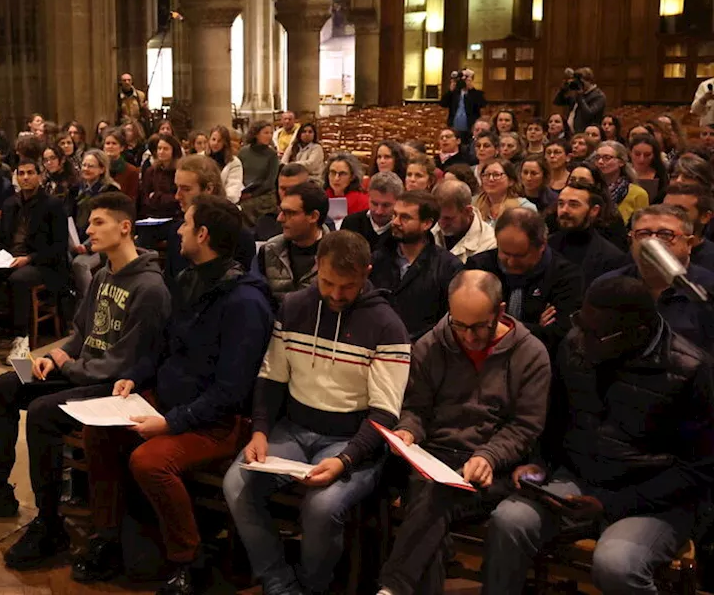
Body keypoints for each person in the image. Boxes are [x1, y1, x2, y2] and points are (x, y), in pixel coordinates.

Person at [73, 195, 274, 592]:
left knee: (150, 461)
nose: (178, 230)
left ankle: (189, 561)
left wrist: (171, 422)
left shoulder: (246, 301)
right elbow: (164, 348)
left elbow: (231, 392)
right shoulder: (187, 279)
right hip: (171, 401)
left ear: (203, 234)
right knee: (98, 432)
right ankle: (109, 537)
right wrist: (134, 377)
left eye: (185, 224)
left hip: (217, 421)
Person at [0, 191, 170, 570]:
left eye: (99, 222)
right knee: (4, 384)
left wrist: (68, 366)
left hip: (110, 384)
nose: (88, 230)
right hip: (78, 368)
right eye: (89, 222)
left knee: (43, 412)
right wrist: (51, 357)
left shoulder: (150, 288)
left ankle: (50, 524)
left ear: (125, 228)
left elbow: (121, 363)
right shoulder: (101, 274)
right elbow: (81, 332)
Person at [484, 276, 714, 595]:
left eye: (598, 334)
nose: (583, 337)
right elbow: (555, 421)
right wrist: (538, 464)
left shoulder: (691, 370)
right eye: (580, 322)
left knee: (615, 565)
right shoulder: (577, 345)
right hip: (579, 480)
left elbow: (698, 470)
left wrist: (610, 503)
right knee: (509, 520)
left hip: (653, 499)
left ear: (639, 333)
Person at [224, 230, 411, 595]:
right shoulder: (295, 306)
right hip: (293, 430)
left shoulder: (388, 326)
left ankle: (313, 587)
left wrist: (345, 459)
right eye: (328, 283)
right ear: (316, 268)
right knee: (237, 485)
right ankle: (279, 583)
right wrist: (260, 431)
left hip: (352, 442)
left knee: (321, 509)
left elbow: (385, 414)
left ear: (366, 273)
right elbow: (271, 378)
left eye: (348, 286)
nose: (336, 295)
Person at [378, 270, 551, 595]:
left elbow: (525, 426)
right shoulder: (432, 344)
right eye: (459, 324)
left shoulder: (530, 354)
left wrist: (488, 456)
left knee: (433, 500)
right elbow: (416, 408)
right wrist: (408, 430)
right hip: (433, 459)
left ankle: (392, 588)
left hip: (490, 468)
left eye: (477, 326)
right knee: (432, 505)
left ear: (499, 312)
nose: (467, 336)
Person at [464, 207, 583, 356]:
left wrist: (492, 323)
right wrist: (534, 328)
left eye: (520, 255)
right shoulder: (478, 268)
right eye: (505, 253)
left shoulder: (566, 277)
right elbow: (465, 322)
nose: (511, 262)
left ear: (542, 246)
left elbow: (558, 336)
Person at [596, 204, 714, 350]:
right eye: (643, 234)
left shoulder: (708, 289)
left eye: (665, 234)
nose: (652, 242)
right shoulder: (608, 286)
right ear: (631, 240)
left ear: (689, 244)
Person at [0, 159, 70, 360]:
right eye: (21, 173)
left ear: (40, 175)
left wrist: (28, 258)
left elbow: (58, 247)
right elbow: (2, 239)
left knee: (19, 279)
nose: (26, 177)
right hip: (11, 259)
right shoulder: (10, 203)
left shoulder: (52, 205)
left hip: (43, 263)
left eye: (30, 173)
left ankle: (22, 337)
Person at [369, 190, 463, 340]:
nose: (395, 222)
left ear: (426, 223)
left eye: (405, 217)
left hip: (424, 351)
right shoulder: (376, 259)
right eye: (395, 215)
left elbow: (448, 321)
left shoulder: (448, 267)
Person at [168, 154, 257, 284]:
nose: (177, 196)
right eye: (177, 188)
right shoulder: (176, 232)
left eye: (186, 189)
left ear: (209, 189)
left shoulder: (240, 237)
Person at [549, 178, 630, 286]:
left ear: (594, 211)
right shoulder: (545, 246)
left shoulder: (612, 258)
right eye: (561, 204)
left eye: (573, 205)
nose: (564, 210)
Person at [256, 182, 327, 295]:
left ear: (313, 216)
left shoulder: (338, 253)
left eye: (289, 213)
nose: (280, 219)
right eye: (281, 211)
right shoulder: (269, 251)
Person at [70, 149, 121, 297]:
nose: (85, 169)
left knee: (79, 264)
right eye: (84, 165)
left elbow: (107, 225)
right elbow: (69, 218)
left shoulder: (110, 191)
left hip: (102, 243)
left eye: (91, 166)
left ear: (102, 169)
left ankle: (90, 304)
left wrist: (87, 246)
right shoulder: (76, 190)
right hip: (78, 241)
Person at [432, 179, 497, 263]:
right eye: (437, 217)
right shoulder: (428, 233)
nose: (441, 224)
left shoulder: (489, 245)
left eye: (448, 218)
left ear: (468, 211)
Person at [341, 171, 402, 251]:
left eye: (386, 205)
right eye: (374, 204)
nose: (378, 211)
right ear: (368, 197)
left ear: (399, 202)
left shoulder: (402, 229)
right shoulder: (351, 223)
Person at [594, 141, 650, 225]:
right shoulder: (591, 189)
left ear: (621, 162)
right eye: (597, 157)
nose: (600, 162)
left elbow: (643, 224)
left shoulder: (638, 194)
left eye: (607, 157)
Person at [663, 181, 714, 271]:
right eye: (665, 209)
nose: (668, 216)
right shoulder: (646, 250)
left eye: (679, 211)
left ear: (705, 217)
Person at [238, 121, 282, 225]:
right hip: (243, 190)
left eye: (271, 133)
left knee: (246, 206)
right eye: (266, 133)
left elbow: (270, 182)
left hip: (264, 193)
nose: (269, 136)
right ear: (256, 134)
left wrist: (251, 194)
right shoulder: (243, 152)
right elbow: (238, 174)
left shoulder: (272, 155)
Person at [254, 163, 310, 242]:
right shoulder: (265, 223)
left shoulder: (318, 223)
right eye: (283, 189)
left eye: (293, 189)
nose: (287, 193)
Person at [138, 134, 182, 221]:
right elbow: (145, 197)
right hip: (153, 215)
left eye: (165, 149)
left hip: (174, 216)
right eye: (159, 148)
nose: (161, 152)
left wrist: (157, 196)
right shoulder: (151, 171)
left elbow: (178, 199)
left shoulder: (179, 171)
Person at [554, 66, 606, 133]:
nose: (578, 84)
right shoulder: (578, 94)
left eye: (580, 81)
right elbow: (557, 102)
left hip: (587, 134)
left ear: (589, 81)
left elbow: (589, 114)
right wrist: (563, 89)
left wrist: (580, 96)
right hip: (570, 134)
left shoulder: (599, 96)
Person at [441, 68, 486, 141]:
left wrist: (471, 89)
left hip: (470, 128)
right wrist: (450, 90)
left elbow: (482, 104)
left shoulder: (476, 93)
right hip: (454, 128)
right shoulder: (454, 93)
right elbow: (443, 104)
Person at [102, 127, 141, 202]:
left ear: (122, 148)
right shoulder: (98, 168)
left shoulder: (131, 171)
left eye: (114, 143)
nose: (110, 146)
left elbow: (131, 198)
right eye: (107, 143)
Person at [208, 125, 244, 204]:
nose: (215, 143)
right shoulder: (200, 157)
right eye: (213, 139)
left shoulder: (234, 162)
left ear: (225, 142)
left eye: (219, 140)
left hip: (224, 203)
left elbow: (233, 189)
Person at [629, 133, 668, 203]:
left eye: (647, 155)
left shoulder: (661, 175)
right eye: (637, 154)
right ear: (630, 153)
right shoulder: (622, 173)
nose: (642, 159)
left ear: (654, 155)